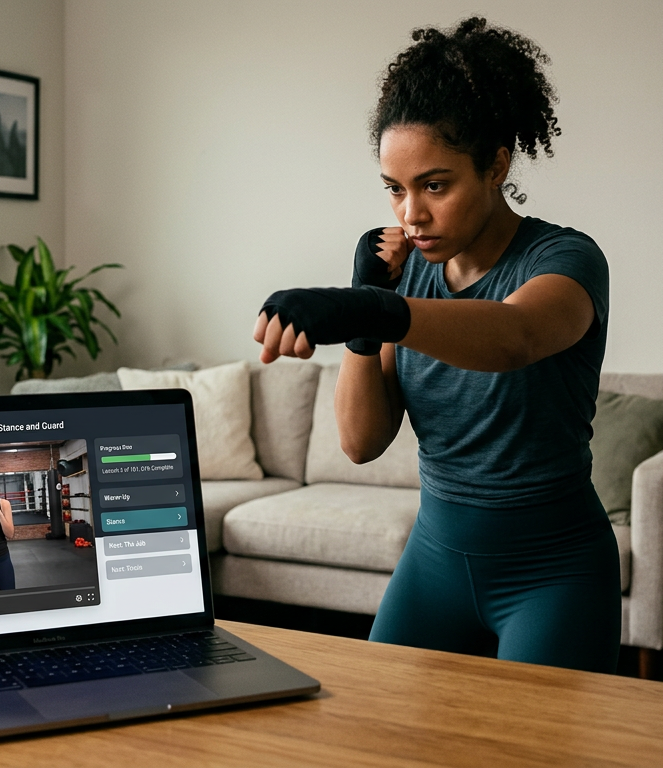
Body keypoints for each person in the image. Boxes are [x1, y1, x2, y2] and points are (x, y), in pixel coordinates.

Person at [253, 17, 619, 673]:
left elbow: (515, 335)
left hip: (552, 574)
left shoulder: (565, 259)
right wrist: (366, 327)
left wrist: (373, 306)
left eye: (435, 185)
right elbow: (362, 444)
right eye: (395, 189)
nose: (410, 215)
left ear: (496, 166)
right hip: (435, 562)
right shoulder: (410, 274)